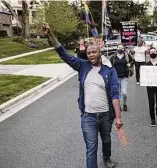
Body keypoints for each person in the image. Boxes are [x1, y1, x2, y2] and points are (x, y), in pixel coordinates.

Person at [41, 23, 123, 168]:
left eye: (94, 52)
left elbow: (115, 94)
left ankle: (107, 157)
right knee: (91, 148)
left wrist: (117, 117)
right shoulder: (82, 66)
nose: (91, 55)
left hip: (105, 115)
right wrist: (50, 35)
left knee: (106, 140)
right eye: (89, 53)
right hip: (88, 116)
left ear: (99, 52)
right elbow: (63, 54)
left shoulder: (109, 71)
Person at [110, 44, 135, 111]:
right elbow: (109, 65)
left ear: (123, 49)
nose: (120, 49)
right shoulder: (113, 56)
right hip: (115, 77)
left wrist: (130, 64)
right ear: (117, 48)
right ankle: (118, 105)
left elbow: (133, 60)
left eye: (122, 48)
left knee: (124, 93)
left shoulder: (126, 55)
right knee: (117, 93)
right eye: (119, 47)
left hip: (124, 77)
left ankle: (124, 103)